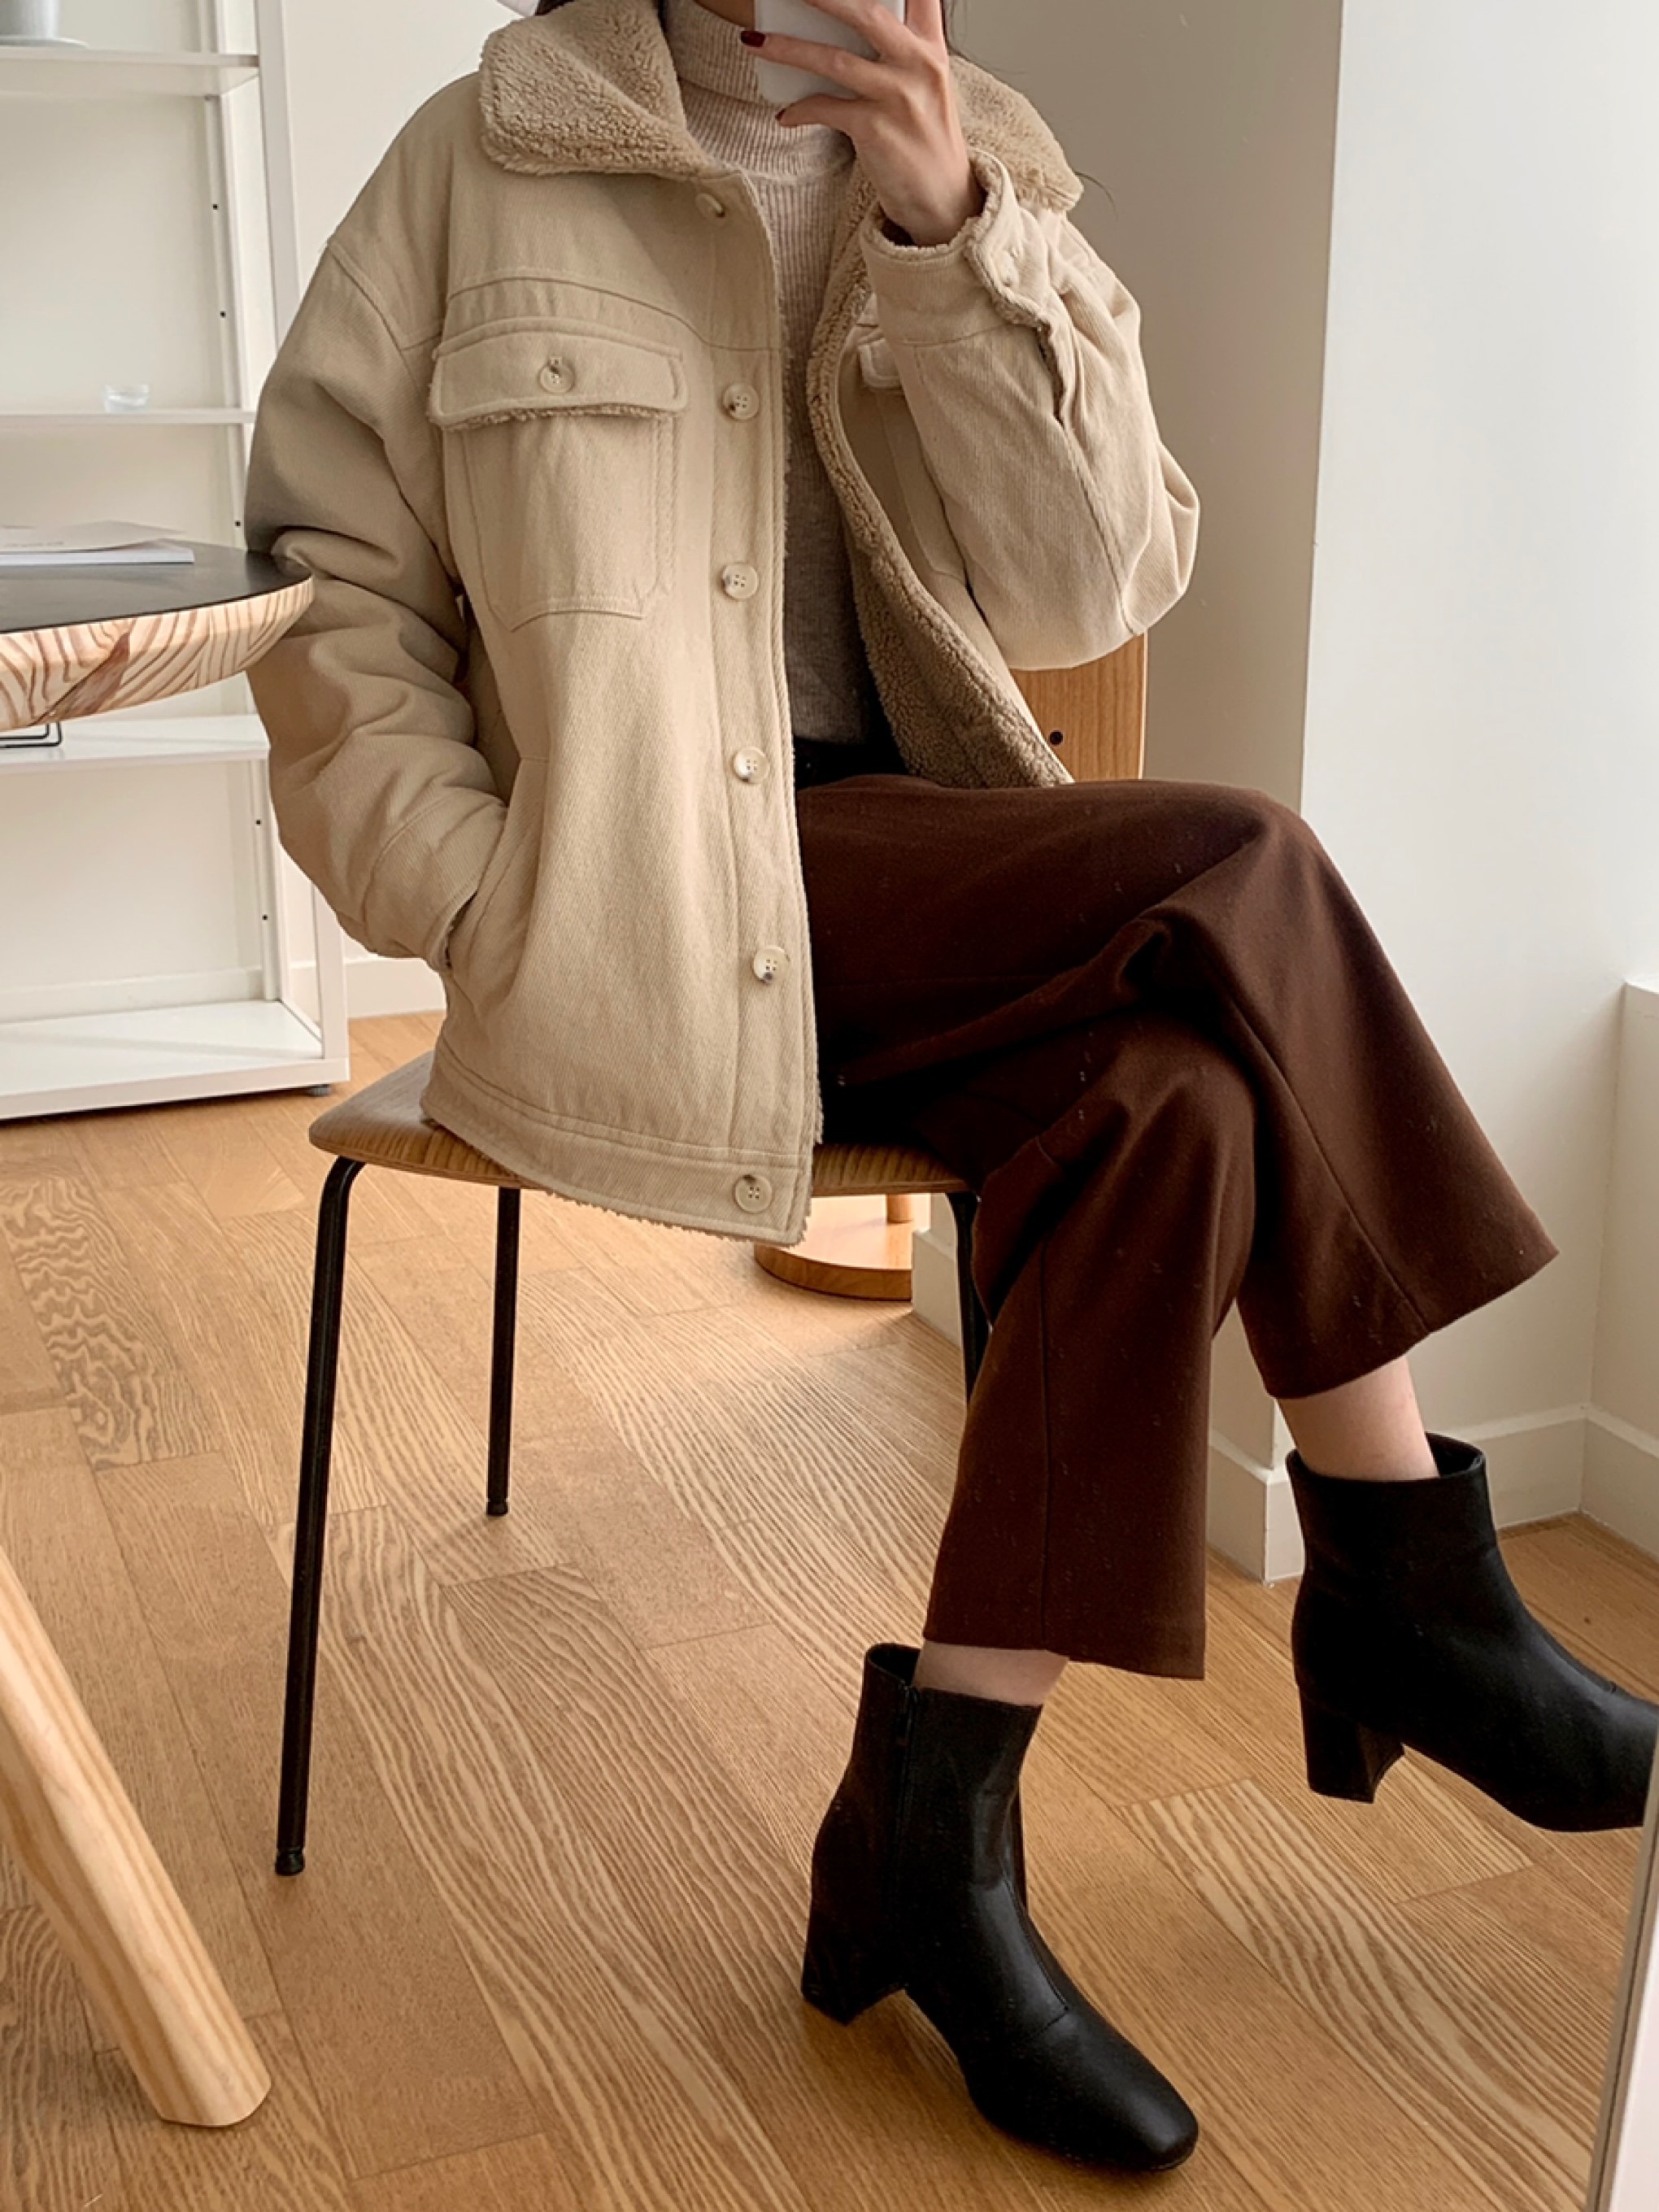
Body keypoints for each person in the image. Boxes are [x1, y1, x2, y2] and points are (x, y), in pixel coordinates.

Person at [242, 0, 1659, 2178]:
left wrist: (958, 235)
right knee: (1248, 861)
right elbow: (324, 586)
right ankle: (1405, 1577)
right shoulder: (483, 156)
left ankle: (931, 1841)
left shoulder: (985, 166)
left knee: (1179, 1103)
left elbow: (1096, 585)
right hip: (648, 897)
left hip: (921, 876)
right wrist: (491, 900)